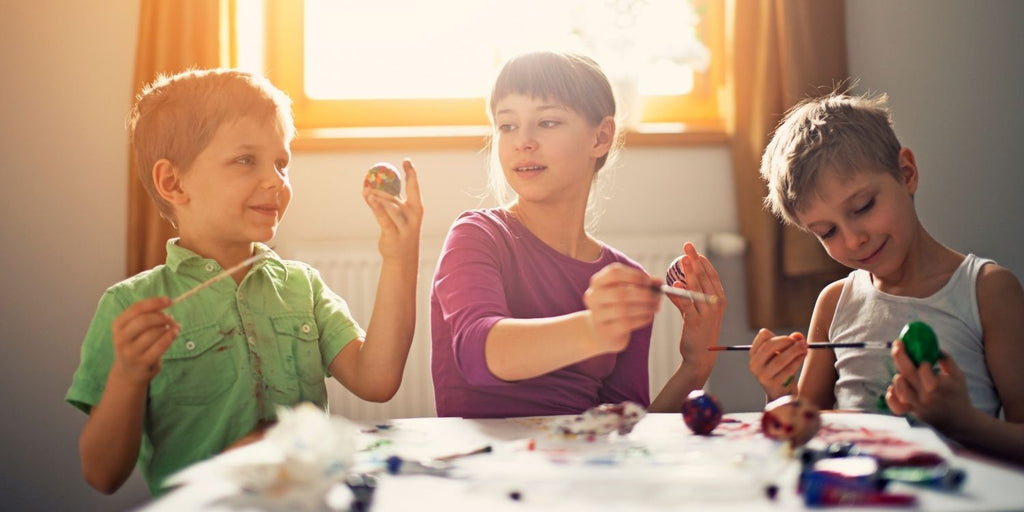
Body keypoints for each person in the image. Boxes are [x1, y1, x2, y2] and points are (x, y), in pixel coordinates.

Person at [65, 69, 424, 494]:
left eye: (281, 162)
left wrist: (399, 259)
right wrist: (127, 376)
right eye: (245, 160)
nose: (276, 179)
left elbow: (377, 380)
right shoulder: (130, 306)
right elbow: (102, 474)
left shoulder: (301, 287)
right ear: (173, 182)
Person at [430, 51, 726, 419]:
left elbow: (623, 424)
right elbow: (479, 353)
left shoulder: (625, 278)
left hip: (580, 470)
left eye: (547, 122)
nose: (523, 140)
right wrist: (594, 330)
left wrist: (695, 367)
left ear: (600, 137)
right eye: (507, 126)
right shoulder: (477, 235)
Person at [749, 91, 1024, 465]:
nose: (853, 239)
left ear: (906, 173)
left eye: (863, 207)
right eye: (827, 232)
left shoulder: (988, 291)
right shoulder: (834, 304)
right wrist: (779, 393)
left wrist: (965, 423)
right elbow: (803, 428)